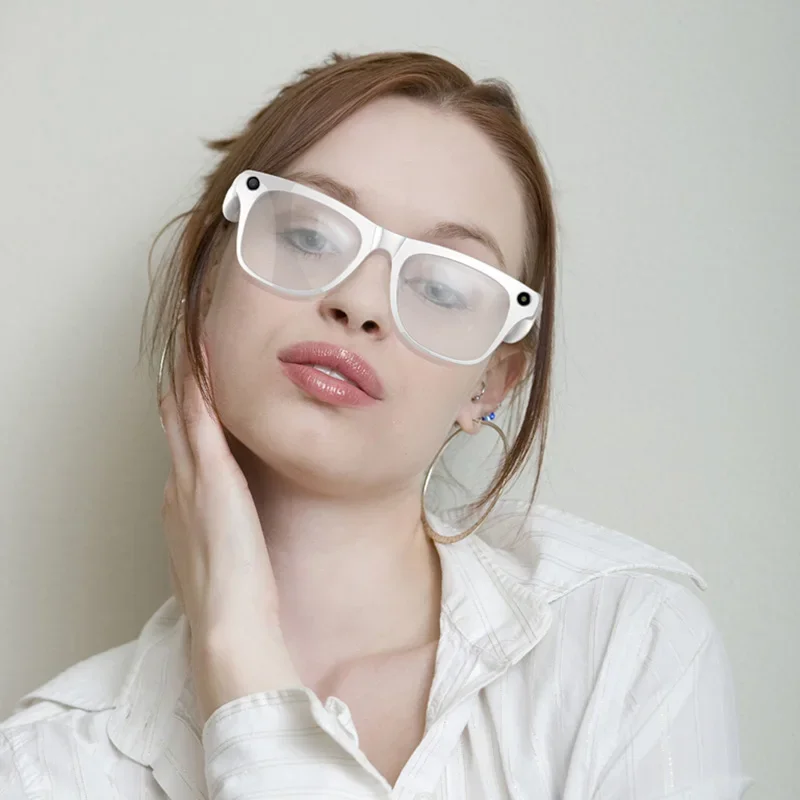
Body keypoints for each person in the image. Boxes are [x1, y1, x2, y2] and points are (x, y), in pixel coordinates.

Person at [0, 50, 751, 799]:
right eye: (309, 235)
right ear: (206, 280)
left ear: (490, 382)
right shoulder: (49, 767)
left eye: (442, 286)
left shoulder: (623, 642)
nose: (359, 302)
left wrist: (241, 657)